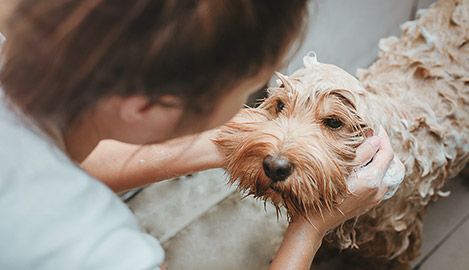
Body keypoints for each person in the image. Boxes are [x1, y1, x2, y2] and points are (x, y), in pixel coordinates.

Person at [0, 1, 397, 269]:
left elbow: (76, 162)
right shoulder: (98, 252)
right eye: (256, 92)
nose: (252, 104)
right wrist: (308, 232)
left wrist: (229, 142)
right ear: (148, 108)